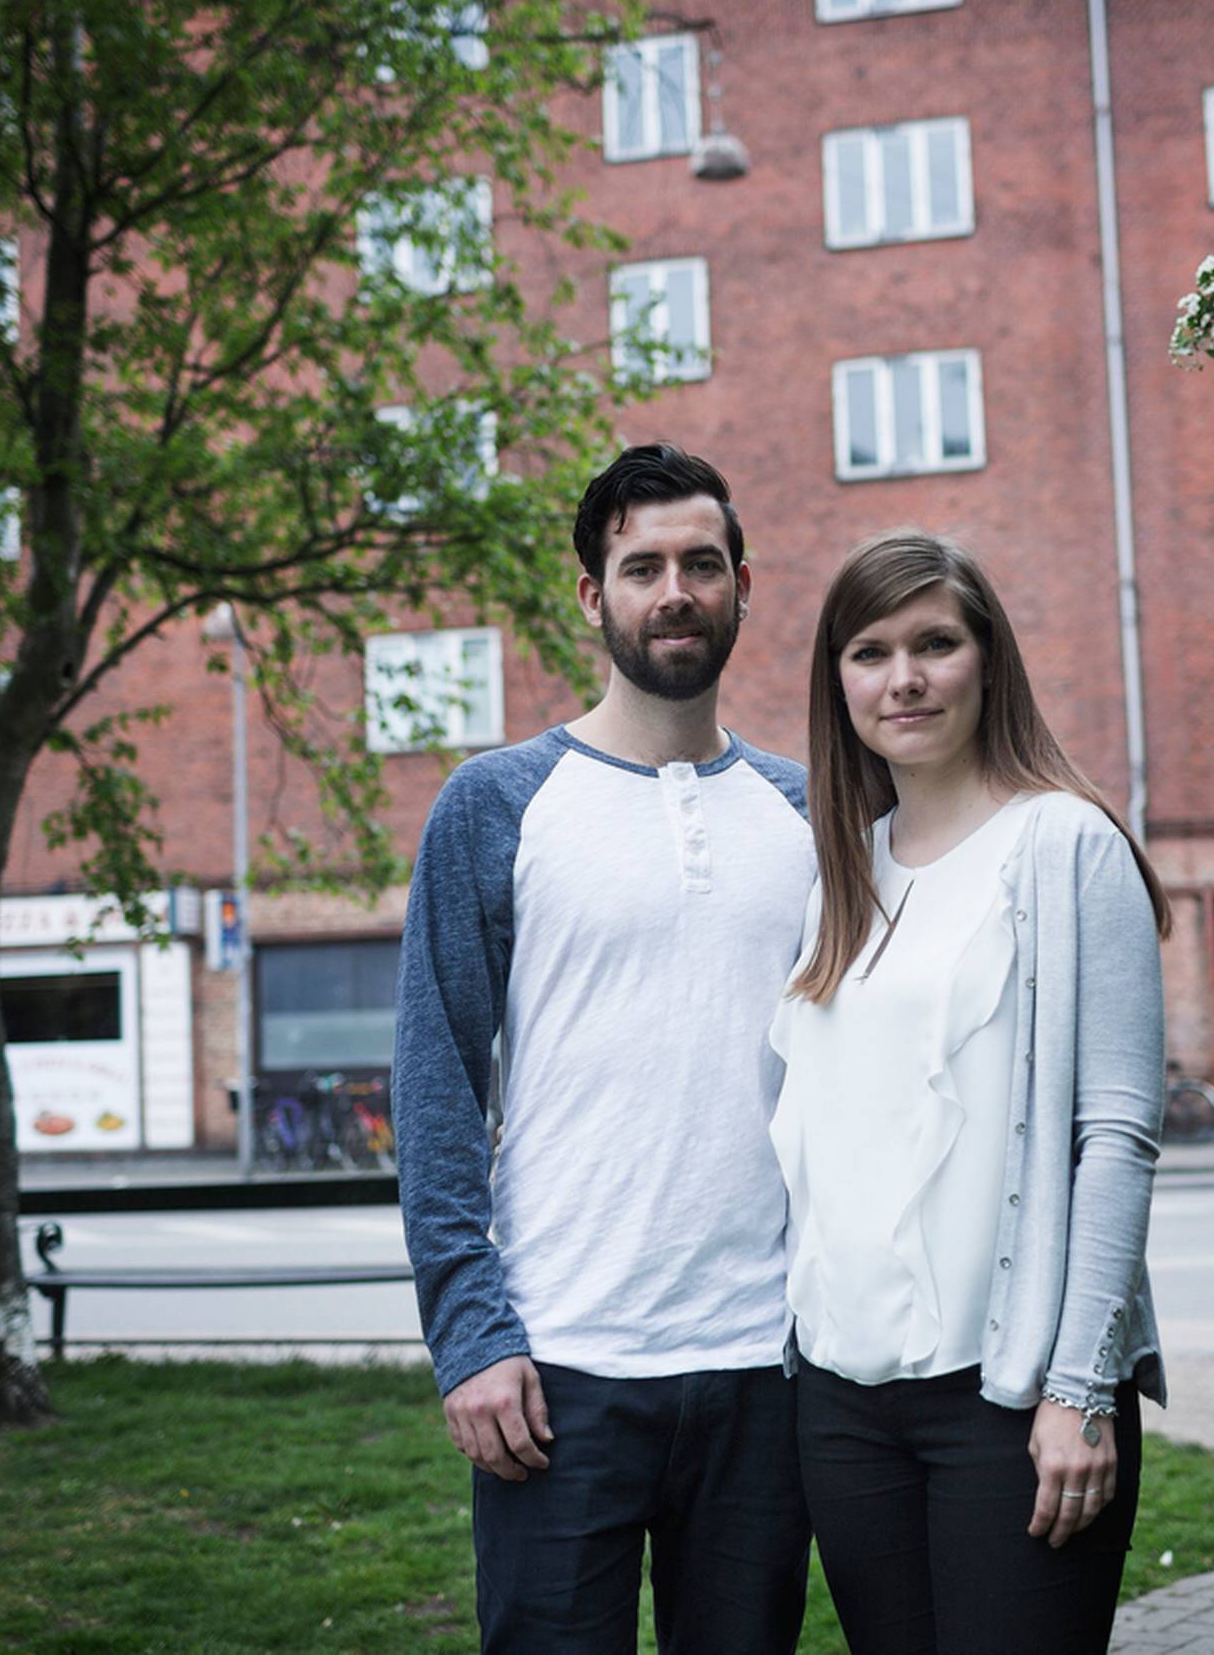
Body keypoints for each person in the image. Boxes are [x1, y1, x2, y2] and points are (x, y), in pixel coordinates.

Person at [391, 444, 815, 1654]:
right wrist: (470, 1336)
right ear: (593, 595)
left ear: (743, 582)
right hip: (555, 1372)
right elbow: (434, 1089)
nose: (672, 590)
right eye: (641, 567)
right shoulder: (496, 802)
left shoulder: (807, 810)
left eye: (699, 563)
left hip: (764, 1368)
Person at [768, 527, 1171, 1655]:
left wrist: (1083, 1388)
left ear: (987, 661)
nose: (903, 678)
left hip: (1011, 1403)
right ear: (836, 680)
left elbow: (1117, 1135)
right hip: (842, 1408)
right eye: (869, 651)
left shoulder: (1065, 847)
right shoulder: (842, 874)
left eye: (935, 643)